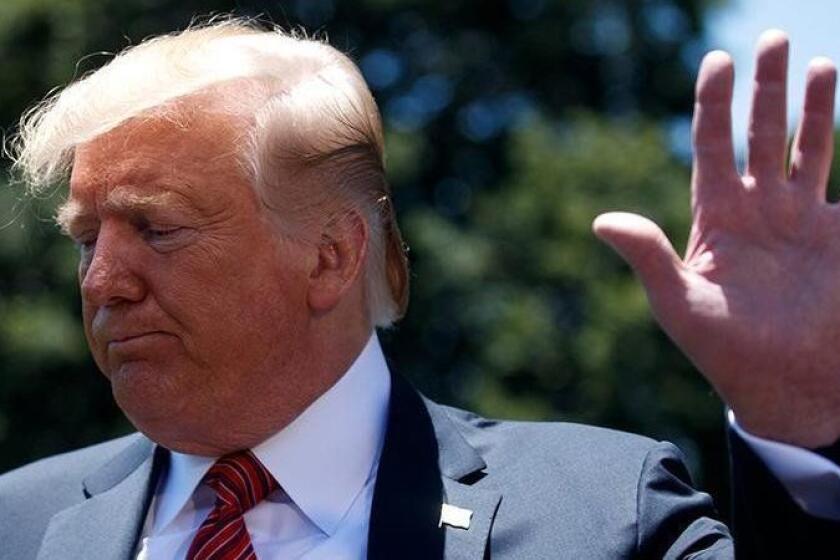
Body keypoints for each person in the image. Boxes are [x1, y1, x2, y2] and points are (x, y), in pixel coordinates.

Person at [0, 19, 838, 559]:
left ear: (330, 256)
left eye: (157, 228)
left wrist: (797, 424)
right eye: (84, 239)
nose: (103, 281)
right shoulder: (19, 524)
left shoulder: (604, 517)